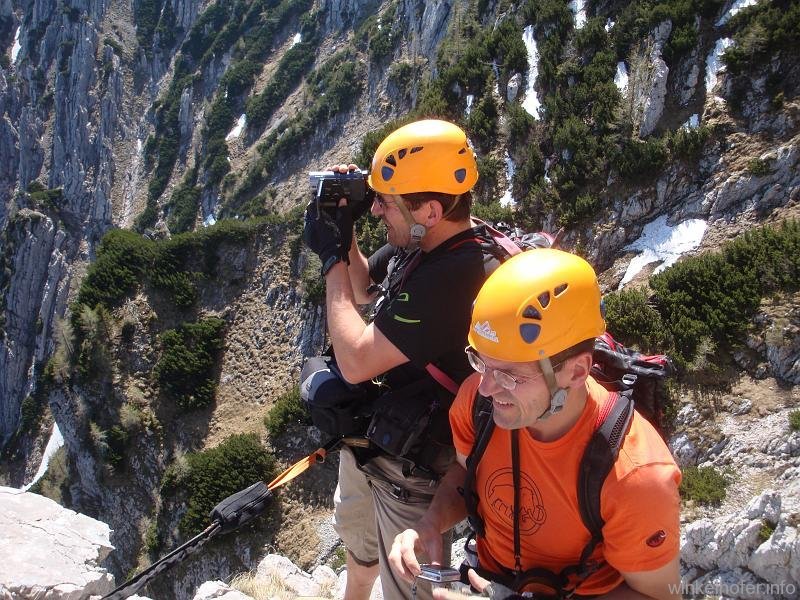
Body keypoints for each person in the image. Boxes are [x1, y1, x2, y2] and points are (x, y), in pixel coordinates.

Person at [388, 249, 682, 599]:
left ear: (576, 372)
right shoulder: (479, 404)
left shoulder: (636, 478)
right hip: (488, 578)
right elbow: (467, 473)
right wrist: (431, 523)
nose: (486, 387)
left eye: (509, 375)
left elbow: (657, 595)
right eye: (481, 362)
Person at [302, 119, 490, 600]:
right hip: (379, 438)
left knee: (410, 588)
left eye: (387, 201)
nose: (376, 209)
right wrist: (345, 232)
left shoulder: (454, 275)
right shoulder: (424, 242)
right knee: (360, 543)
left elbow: (356, 361)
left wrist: (329, 259)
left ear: (430, 209)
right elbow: (364, 286)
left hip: (416, 471)